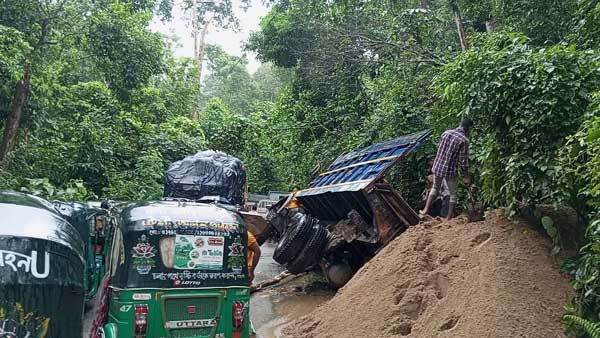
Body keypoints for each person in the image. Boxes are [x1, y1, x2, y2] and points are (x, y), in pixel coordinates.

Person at [420, 118, 473, 219]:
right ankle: (448, 217)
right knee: (452, 194)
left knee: (435, 188)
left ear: (459, 124)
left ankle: (425, 210)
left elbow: (440, 149)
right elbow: (463, 161)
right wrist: (466, 177)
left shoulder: (446, 133)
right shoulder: (464, 140)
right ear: (468, 129)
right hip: (450, 170)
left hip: (438, 167)